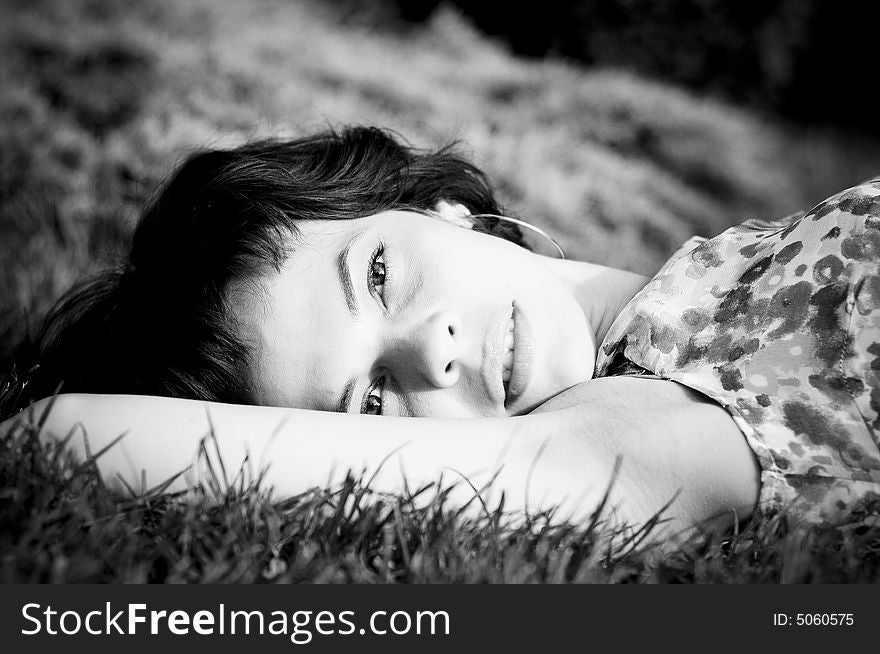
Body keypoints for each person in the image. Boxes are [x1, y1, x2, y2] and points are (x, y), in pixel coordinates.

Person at [2, 126, 878, 543]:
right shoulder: (662, 423)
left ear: (442, 208)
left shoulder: (721, 276)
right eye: (372, 398)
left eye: (379, 273)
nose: (434, 351)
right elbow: (63, 440)